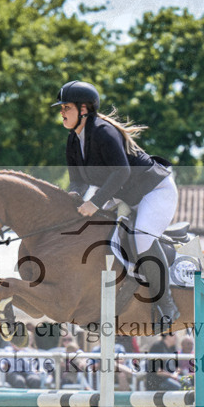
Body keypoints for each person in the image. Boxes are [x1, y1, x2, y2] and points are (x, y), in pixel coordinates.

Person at [53, 79, 180, 327]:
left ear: (83, 110)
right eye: (61, 108)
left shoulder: (103, 132)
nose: (62, 112)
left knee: (141, 237)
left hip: (154, 191)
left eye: (66, 107)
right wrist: (70, 204)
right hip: (125, 196)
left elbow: (121, 171)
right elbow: (77, 182)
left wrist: (96, 203)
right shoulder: (73, 140)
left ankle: (167, 305)